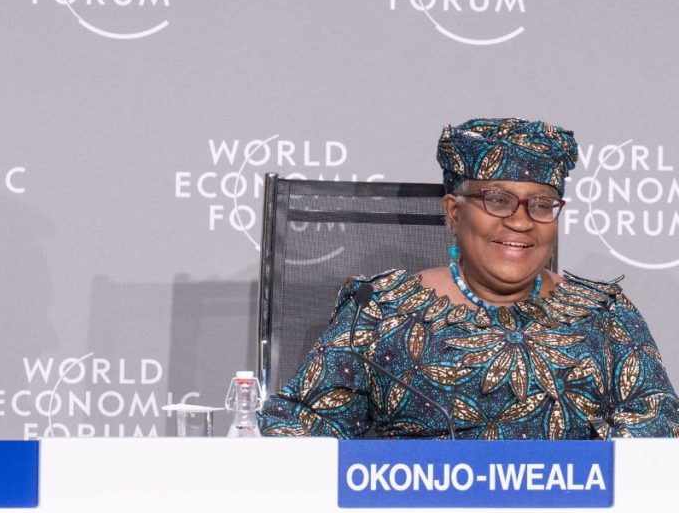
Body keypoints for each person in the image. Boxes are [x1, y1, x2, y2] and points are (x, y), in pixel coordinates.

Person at [259, 117, 679, 439]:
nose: (520, 221)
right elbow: (297, 431)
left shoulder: (604, 315)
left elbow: (657, 433)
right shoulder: (382, 312)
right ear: (454, 212)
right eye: (497, 200)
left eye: (542, 204)